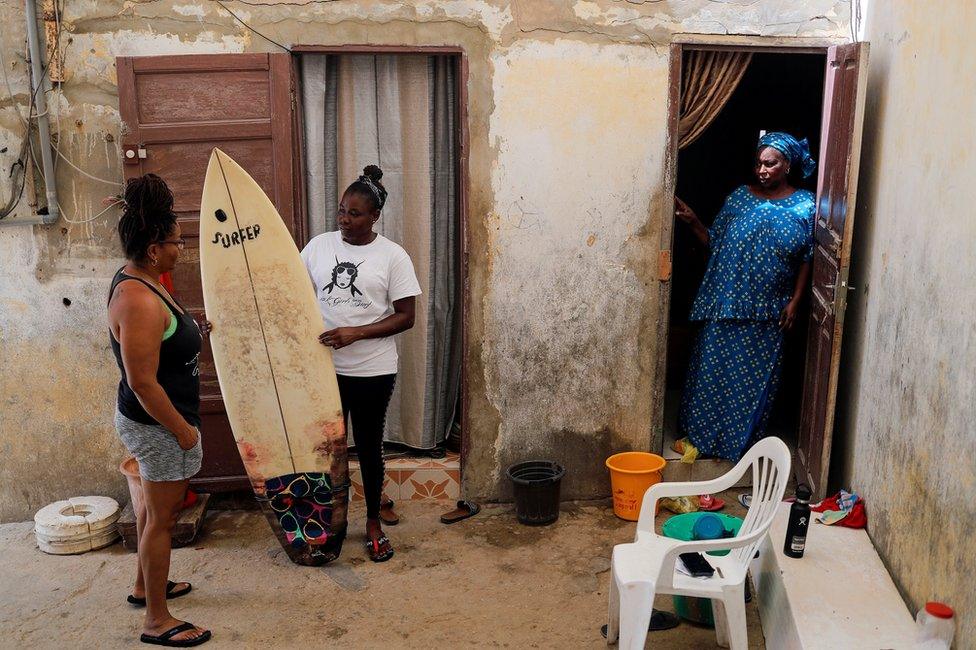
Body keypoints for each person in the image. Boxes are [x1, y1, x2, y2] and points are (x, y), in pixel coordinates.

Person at [108, 174, 211, 646]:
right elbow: (143, 383)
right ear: (153, 248)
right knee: (162, 520)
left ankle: (141, 584)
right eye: (175, 241)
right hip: (157, 423)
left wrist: (193, 329)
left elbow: (166, 339)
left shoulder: (143, 279)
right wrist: (183, 432)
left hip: (161, 418)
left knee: (153, 510)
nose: (181, 248)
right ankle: (157, 620)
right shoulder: (137, 300)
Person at [301, 165, 421, 562]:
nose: (345, 220)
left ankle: (372, 521)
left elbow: (407, 316)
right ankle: (326, 524)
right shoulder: (318, 247)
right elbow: (293, 294)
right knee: (326, 449)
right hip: (323, 368)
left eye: (355, 214)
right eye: (341, 211)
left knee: (369, 447)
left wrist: (357, 332)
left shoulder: (393, 256)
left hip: (372, 369)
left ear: (374, 217)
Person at [672, 132, 816, 462]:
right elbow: (715, 242)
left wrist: (795, 300)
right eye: (759, 163)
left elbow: (809, 255)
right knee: (713, 373)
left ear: (787, 165)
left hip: (769, 311)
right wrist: (694, 222)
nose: (762, 170)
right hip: (728, 302)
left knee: (752, 383)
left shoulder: (806, 205)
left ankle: (739, 448)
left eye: (771, 163)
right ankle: (703, 439)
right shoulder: (739, 198)